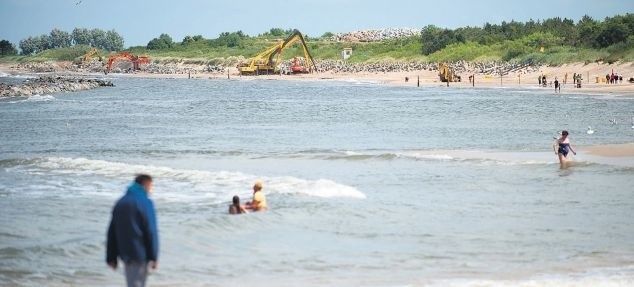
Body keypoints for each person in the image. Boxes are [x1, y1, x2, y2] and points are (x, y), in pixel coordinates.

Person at [107, 174, 159, 287]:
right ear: (146, 185)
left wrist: (111, 256)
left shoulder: (120, 202)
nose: (151, 190)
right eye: (151, 186)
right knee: (137, 284)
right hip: (140, 252)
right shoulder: (145, 203)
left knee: (132, 283)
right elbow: (151, 231)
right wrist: (154, 256)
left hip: (125, 252)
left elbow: (112, 231)